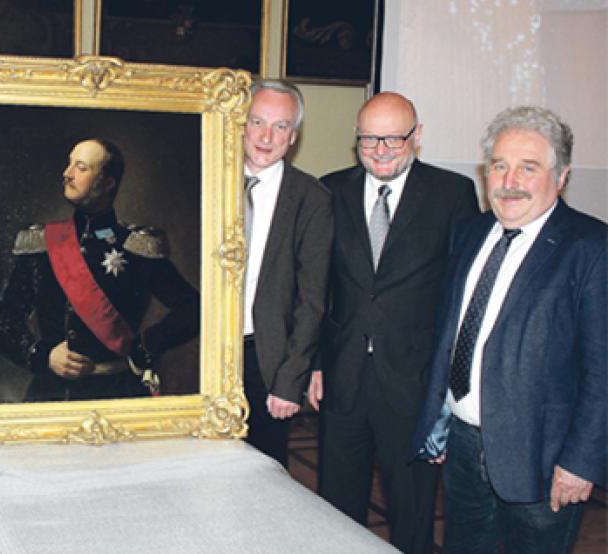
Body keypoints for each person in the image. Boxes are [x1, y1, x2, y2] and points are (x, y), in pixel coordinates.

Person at [412, 106, 605, 553]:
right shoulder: (469, 232)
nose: (509, 181)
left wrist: (581, 462)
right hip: (461, 446)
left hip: (543, 460)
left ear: (561, 176)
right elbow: (451, 336)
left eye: (528, 167)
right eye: (499, 165)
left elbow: (603, 371)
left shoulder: (592, 249)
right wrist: (438, 421)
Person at [311, 92, 479, 553]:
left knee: (412, 516)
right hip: (342, 380)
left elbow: (463, 295)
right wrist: (315, 364)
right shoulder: (330, 189)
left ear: (417, 136)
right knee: (336, 510)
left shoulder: (453, 194)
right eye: (368, 140)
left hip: (415, 383)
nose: (380, 150)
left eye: (393, 139)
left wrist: (449, 382)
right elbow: (317, 289)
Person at [0, 138, 199, 402]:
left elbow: (193, 309)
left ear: (107, 183)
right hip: (51, 397)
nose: (67, 174)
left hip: (119, 395)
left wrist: (146, 346)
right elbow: (1, 322)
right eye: (69, 165)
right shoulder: (42, 244)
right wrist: (43, 355)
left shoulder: (137, 247)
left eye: (81, 167)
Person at [240, 79, 332, 467]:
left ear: (293, 137)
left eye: (280, 127)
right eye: (257, 121)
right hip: (201, 356)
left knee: (262, 477)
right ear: (239, 124)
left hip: (267, 360)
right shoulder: (204, 179)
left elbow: (314, 299)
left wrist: (291, 379)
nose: (266, 136)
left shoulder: (312, 199)